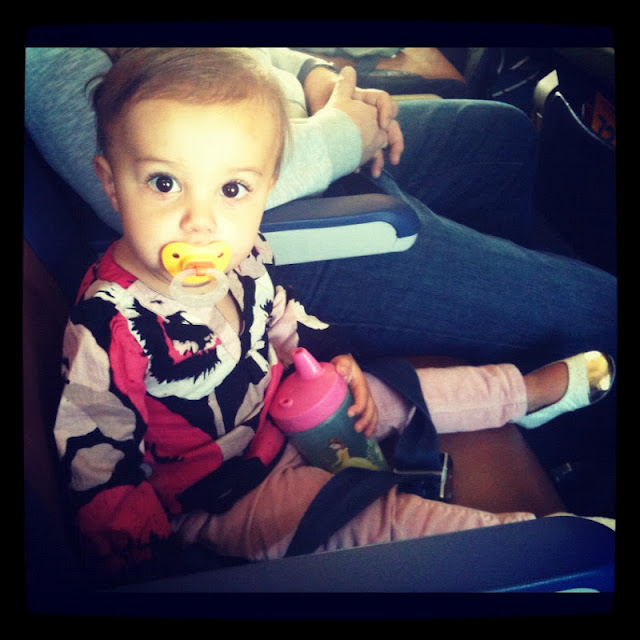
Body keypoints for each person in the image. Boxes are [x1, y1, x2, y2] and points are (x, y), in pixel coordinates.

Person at [52, 48, 614, 583]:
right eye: (165, 183)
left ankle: (522, 395)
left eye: (232, 189)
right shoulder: (108, 326)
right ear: (111, 183)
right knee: (373, 523)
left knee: (394, 390)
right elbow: (99, 468)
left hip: (280, 414)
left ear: (267, 188)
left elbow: (276, 328)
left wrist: (316, 366)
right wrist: (146, 569)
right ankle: (542, 546)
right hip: (222, 495)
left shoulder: (241, 255)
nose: (200, 222)